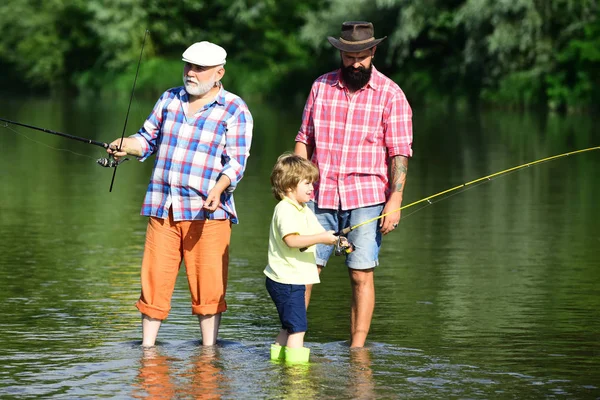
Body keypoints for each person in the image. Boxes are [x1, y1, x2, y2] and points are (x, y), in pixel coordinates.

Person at [107, 41, 253, 347]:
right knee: (153, 284)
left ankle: (209, 355)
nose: (191, 73)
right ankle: (147, 353)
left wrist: (219, 188)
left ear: (219, 72)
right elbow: (146, 140)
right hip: (163, 206)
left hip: (208, 212)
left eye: (200, 68)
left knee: (209, 289)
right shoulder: (169, 99)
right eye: (188, 65)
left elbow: (236, 162)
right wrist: (126, 145)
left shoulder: (235, 109)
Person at [294, 21, 413, 348]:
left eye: (361, 56)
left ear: (373, 52)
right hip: (318, 196)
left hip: (367, 199)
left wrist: (395, 199)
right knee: (304, 273)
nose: (355, 63)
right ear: (341, 53)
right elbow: (304, 140)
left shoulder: (392, 94)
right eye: (349, 56)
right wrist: (295, 189)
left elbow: (399, 152)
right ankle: (294, 341)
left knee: (361, 274)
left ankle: (358, 350)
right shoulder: (321, 87)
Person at [264, 153, 339, 362]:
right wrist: (322, 238)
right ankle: (296, 377)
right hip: (287, 280)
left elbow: (318, 233)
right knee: (298, 329)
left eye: (312, 183)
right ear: (289, 185)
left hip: (290, 279)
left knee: (288, 326)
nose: (311, 188)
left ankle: (277, 364)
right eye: (307, 183)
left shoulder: (303, 209)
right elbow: (292, 240)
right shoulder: (285, 210)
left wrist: (336, 239)